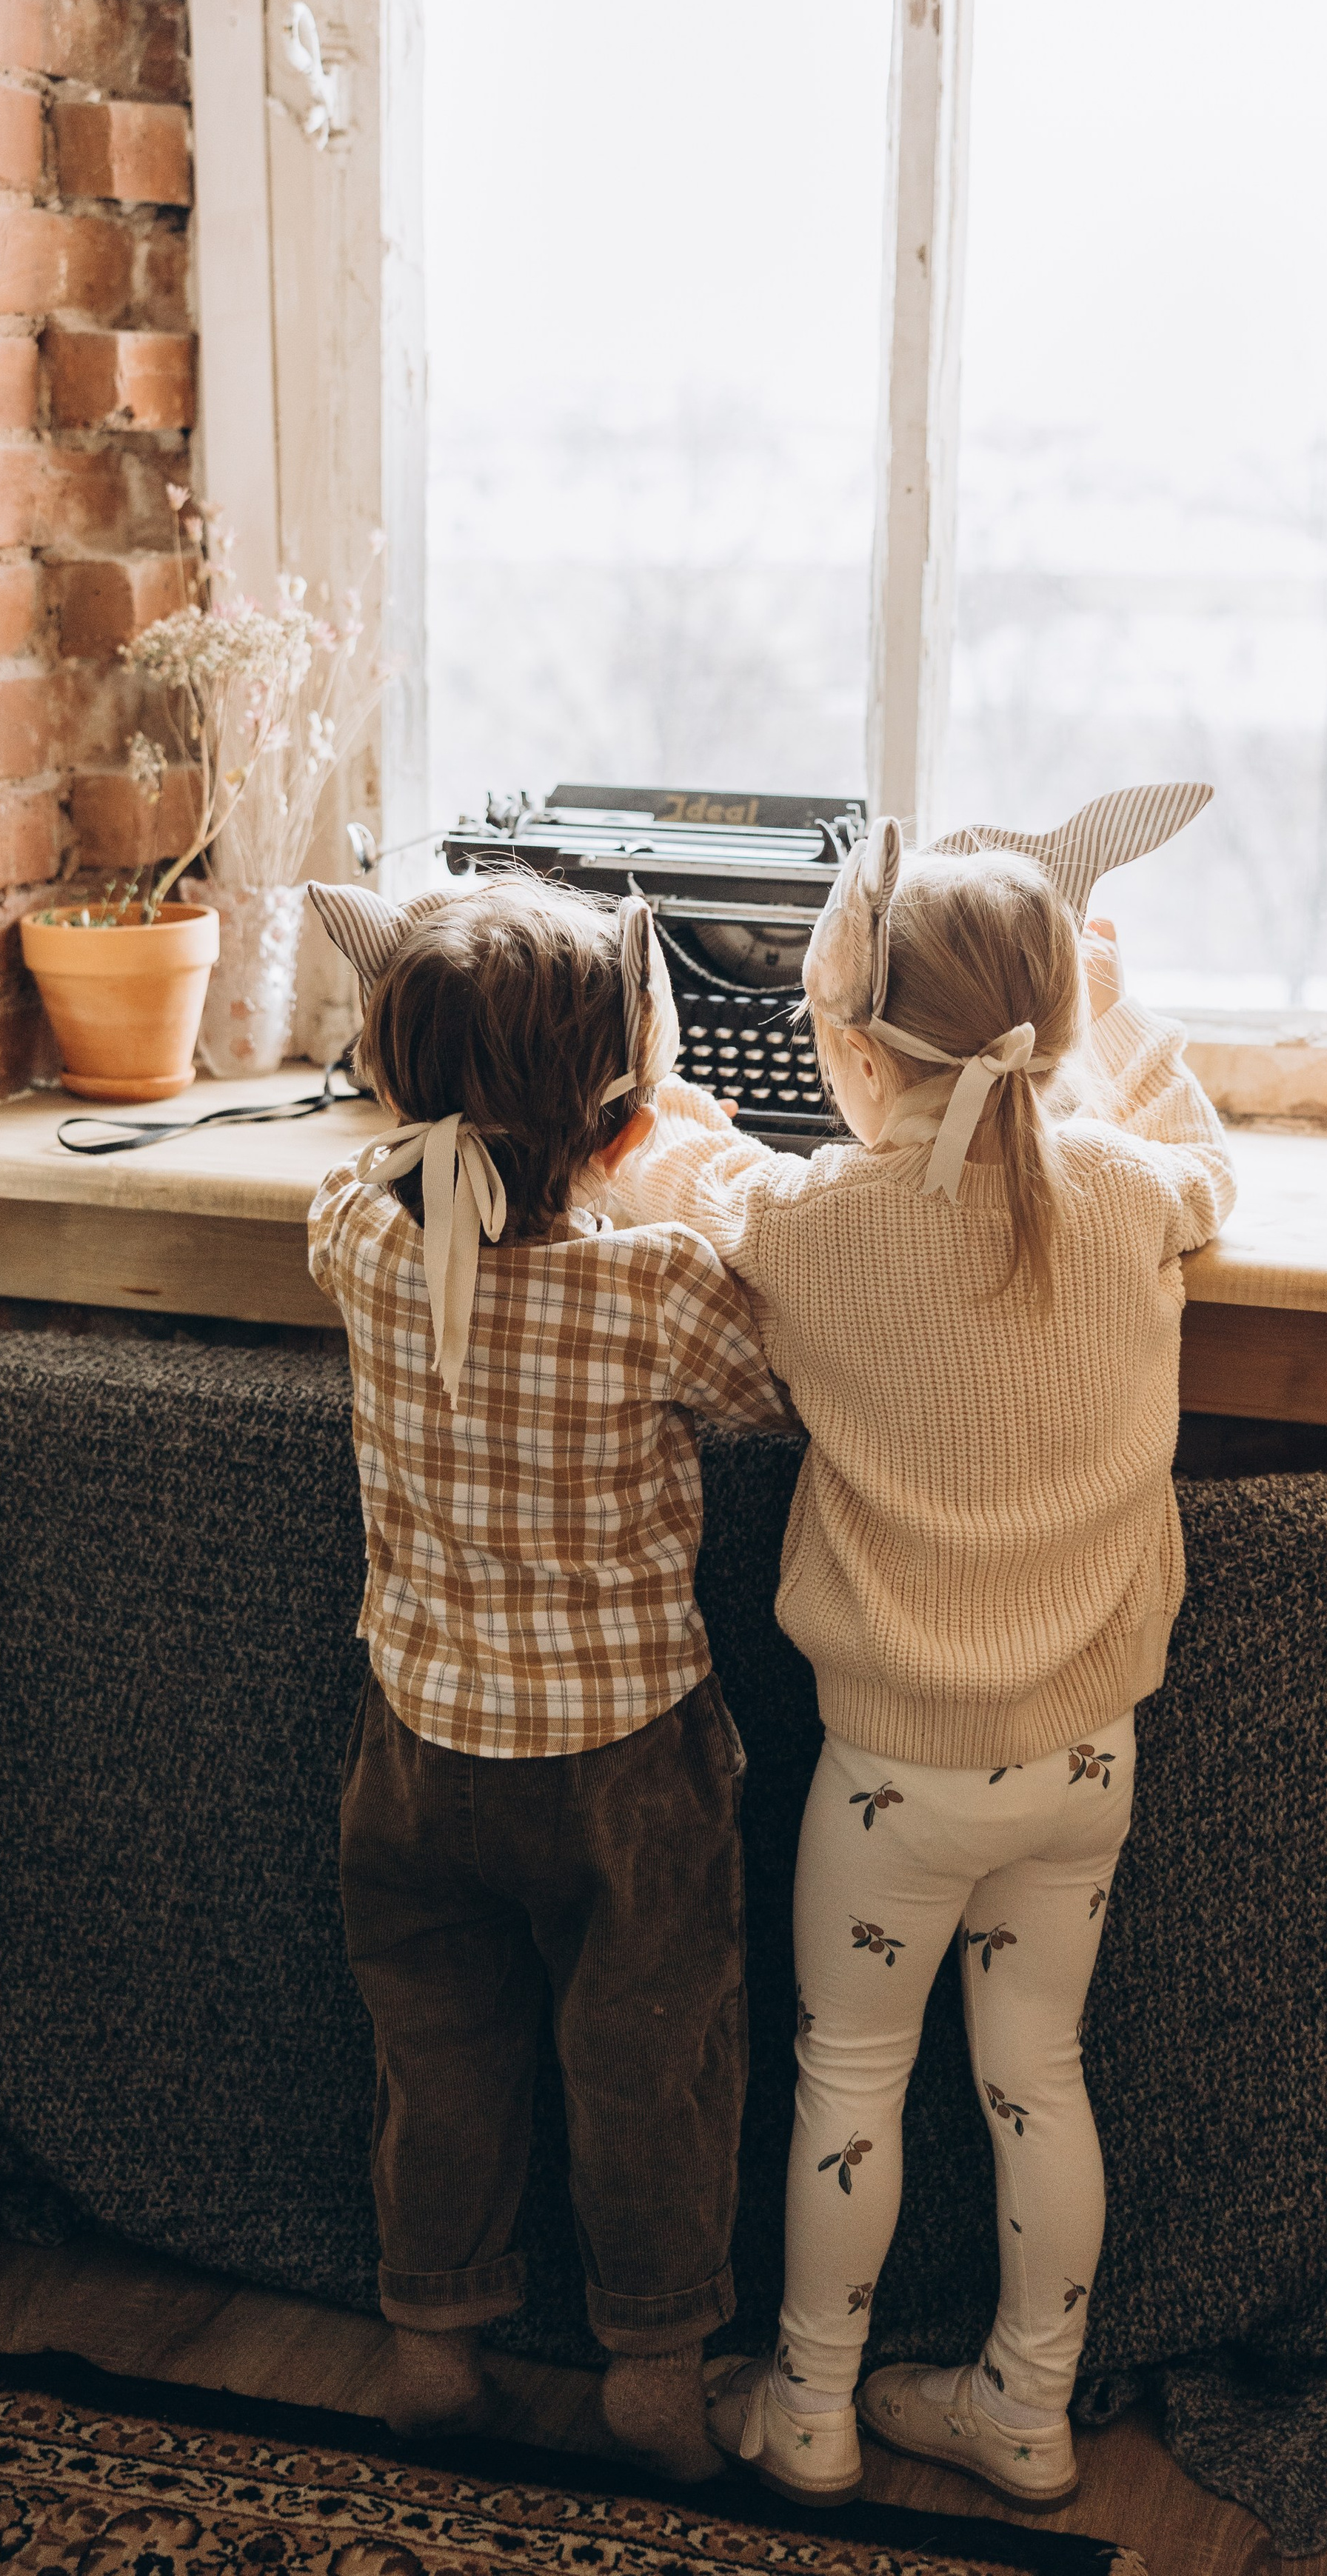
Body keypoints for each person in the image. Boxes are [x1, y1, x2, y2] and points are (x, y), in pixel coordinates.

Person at [612, 825, 1236, 2509]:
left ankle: (809, 2407)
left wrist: (660, 1097)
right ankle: (1025, 2409)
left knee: (850, 2078)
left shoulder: (816, 1222)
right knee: (1039, 2080)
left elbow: (684, 1180)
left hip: (891, 1772)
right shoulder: (1123, 1192)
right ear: (1054, 1016)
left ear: (856, 1049)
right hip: (1085, 1759)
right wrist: (1118, 1028)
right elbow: (1197, 1157)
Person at [307, 881, 792, 2479]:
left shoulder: (363, 1244)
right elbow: (772, 1394)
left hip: (420, 1741)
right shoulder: (653, 1288)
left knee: (433, 2057)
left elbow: (366, 1184)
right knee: (651, 2062)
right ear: (617, 1109)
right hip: (623, 1759)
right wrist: (678, 1169)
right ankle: (654, 2378)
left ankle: (432, 2345)